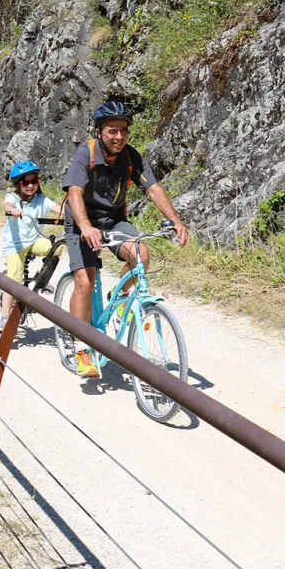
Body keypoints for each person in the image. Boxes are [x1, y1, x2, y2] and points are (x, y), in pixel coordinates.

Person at [63, 99, 188, 378]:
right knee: (85, 280)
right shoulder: (87, 153)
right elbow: (74, 192)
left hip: (114, 220)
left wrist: (176, 220)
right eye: (112, 131)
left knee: (141, 255)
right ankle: (81, 347)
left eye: (123, 131)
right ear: (100, 132)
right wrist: (85, 226)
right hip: (82, 222)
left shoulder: (131, 157)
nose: (118, 137)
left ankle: (118, 297)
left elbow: (153, 188)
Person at [0, 161, 62, 332]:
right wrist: (12, 210)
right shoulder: (13, 198)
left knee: (58, 246)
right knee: (14, 278)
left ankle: (41, 281)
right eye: (25, 182)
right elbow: (7, 205)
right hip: (15, 244)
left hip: (34, 240)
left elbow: (59, 209)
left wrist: (76, 213)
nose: (30, 186)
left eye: (33, 181)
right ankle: (5, 316)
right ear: (18, 184)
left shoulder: (42, 200)